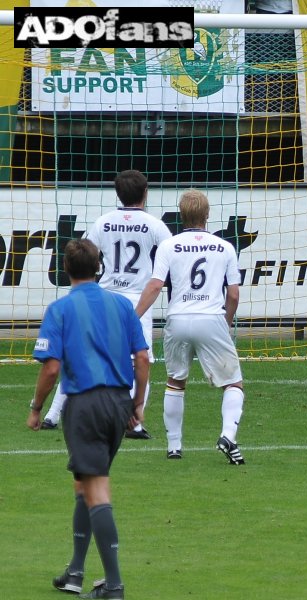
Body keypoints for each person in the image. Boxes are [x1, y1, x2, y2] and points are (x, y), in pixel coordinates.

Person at [27, 239, 149, 599]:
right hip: (117, 404)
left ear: (65, 269)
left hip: (86, 405)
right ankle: (76, 573)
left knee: (96, 490)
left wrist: (36, 408)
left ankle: (113, 586)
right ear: (100, 266)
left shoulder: (61, 309)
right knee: (84, 485)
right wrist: (136, 405)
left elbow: (51, 368)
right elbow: (142, 358)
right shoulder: (122, 305)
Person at [40, 170, 172, 439]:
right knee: (140, 360)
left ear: (118, 194)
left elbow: (85, 254)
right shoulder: (154, 224)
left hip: (104, 296)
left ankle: (52, 415)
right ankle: (133, 422)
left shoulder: (103, 222)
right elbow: (171, 254)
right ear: (145, 193)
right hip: (138, 300)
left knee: (82, 354)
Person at [136, 190, 246, 463]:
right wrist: (226, 322)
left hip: (178, 319)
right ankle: (228, 436)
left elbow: (155, 285)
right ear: (207, 216)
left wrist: (134, 315)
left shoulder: (168, 246)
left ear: (181, 216)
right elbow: (233, 294)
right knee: (233, 383)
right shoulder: (225, 247)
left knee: (175, 382)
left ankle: (174, 446)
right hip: (211, 319)